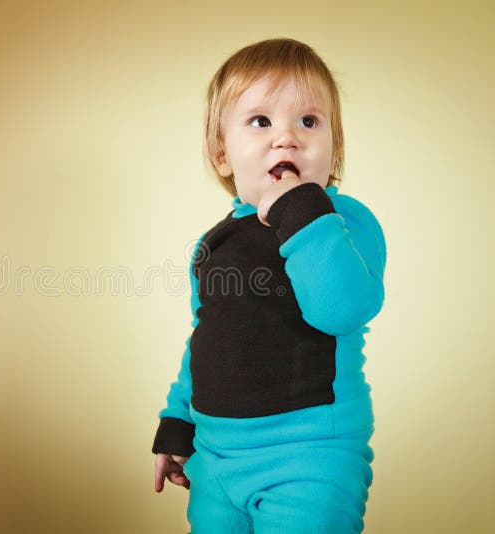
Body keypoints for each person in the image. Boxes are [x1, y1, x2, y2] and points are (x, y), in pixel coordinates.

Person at [151, 37, 386, 534]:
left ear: (334, 147)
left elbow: (340, 309)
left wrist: (302, 208)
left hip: (310, 457)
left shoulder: (342, 222)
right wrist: (179, 422)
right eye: (261, 121)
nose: (287, 138)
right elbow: (205, 339)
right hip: (214, 460)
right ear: (222, 153)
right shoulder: (212, 244)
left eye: (308, 121)